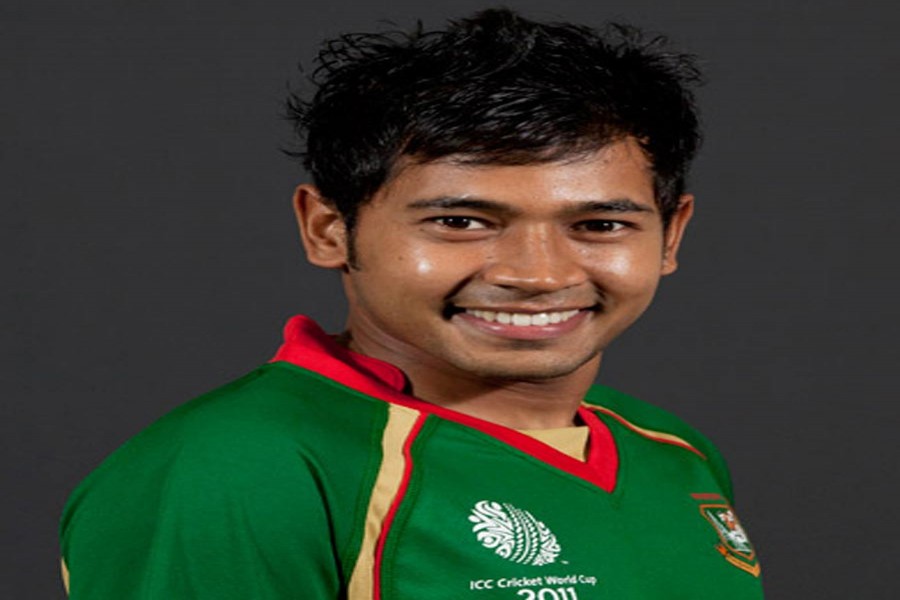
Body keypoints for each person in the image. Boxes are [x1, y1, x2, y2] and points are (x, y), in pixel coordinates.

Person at [59, 8, 763, 599]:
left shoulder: (670, 449)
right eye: (460, 221)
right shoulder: (238, 468)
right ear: (328, 229)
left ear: (671, 236)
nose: (538, 273)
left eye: (600, 225)